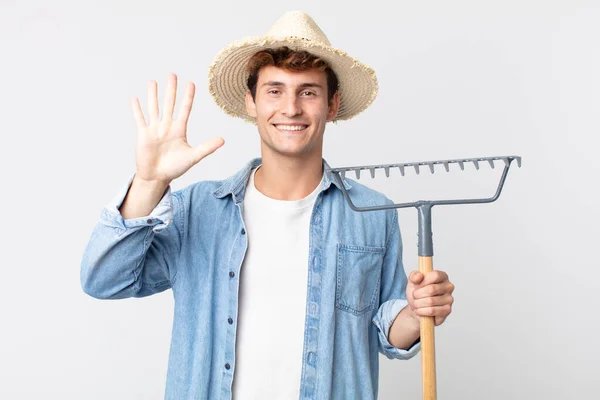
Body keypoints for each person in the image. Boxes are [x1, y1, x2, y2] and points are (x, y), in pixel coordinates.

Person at [80, 10, 455, 400]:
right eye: (274, 90)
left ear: (332, 104)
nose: (290, 108)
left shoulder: (373, 213)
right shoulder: (199, 210)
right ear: (251, 102)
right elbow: (105, 279)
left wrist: (416, 313)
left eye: (308, 91)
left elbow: (387, 329)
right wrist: (149, 181)